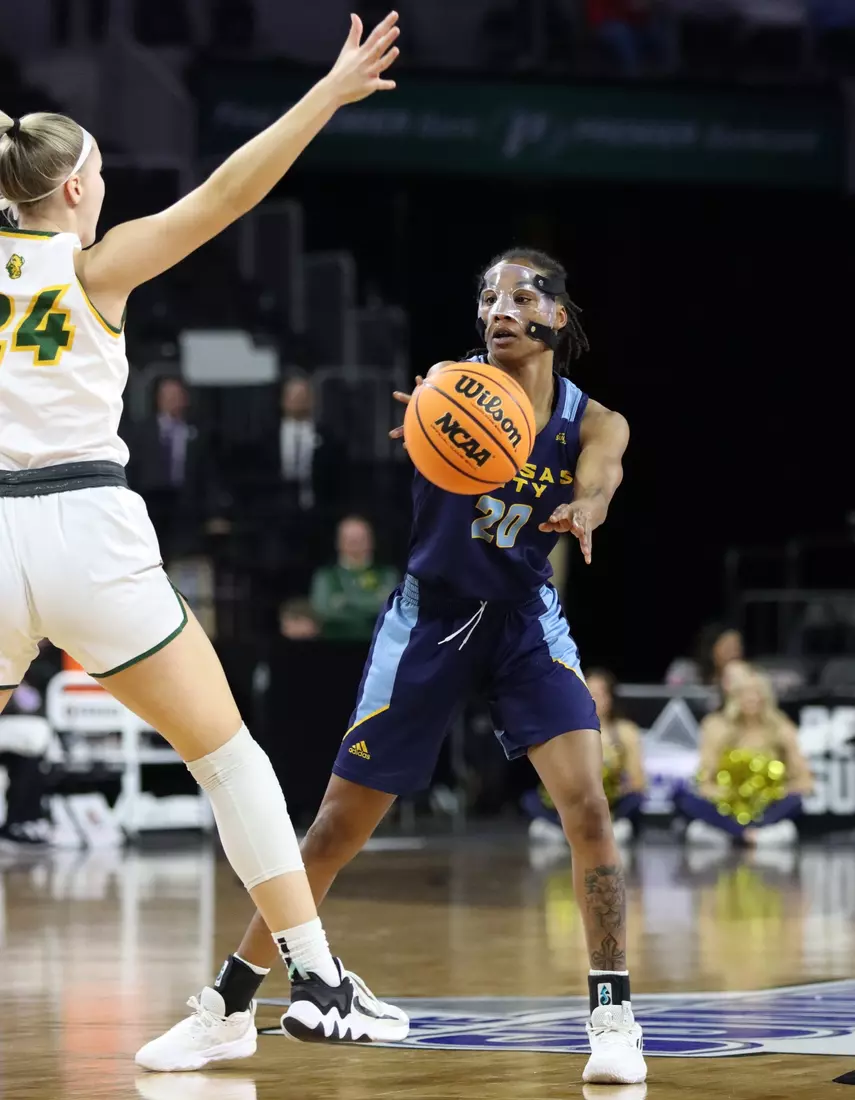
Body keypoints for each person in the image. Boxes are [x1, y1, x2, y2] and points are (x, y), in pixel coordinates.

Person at [0, 10, 405, 1062]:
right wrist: (327, 93)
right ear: (79, 189)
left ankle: (258, 1000)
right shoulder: (93, 269)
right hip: (86, 525)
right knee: (229, 759)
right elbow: (227, 193)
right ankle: (315, 974)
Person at [143, 247, 646, 1084]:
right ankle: (229, 1008)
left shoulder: (595, 418)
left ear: (557, 315)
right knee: (334, 828)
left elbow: (602, 471)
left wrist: (586, 505)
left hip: (522, 618)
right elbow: (445, 434)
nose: (500, 306)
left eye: (522, 294)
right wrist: (432, 424)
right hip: (430, 618)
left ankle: (611, 1014)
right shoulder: (450, 388)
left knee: (588, 808)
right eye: (487, 294)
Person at [677, 670, 814, 847]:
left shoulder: (782, 728)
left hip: (766, 807)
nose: (751, 698)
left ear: (766, 697)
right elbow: (704, 780)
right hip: (726, 805)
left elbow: (805, 781)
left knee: (795, 803)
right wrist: (727, 795)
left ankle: (744, 833)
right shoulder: (716, 726)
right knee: (683, 797)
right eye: (744, 693)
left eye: (757, 693)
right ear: (734, 697)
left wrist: (772, 794)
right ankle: (742, 833)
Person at [524, 668, 647, 846]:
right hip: (571, 804)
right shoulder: (562, 730)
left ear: (610, 698)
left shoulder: (625, 732)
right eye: (588, 692)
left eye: (600, 694)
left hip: (609, 803)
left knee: (634, 802)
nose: (594, 699)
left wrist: (615, 788)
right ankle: (566, 829)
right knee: (530, 800)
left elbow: (638, 781)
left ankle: (601, 829)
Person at [310, 515, 399, 642]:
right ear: (338, 542)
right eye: (350, 539)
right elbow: (322, 611)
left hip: (379, 648)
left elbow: (391, 610)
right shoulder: (325, 576)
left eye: (361, 539)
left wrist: (345, 602)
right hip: (334, 647)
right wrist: (373, 601)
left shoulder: (387, 575)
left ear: (371, 541)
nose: (355, 544)